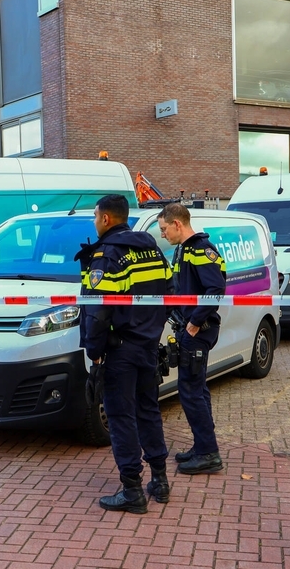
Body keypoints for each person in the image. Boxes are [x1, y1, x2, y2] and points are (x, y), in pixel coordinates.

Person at [77, 194, 173, 514]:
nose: (94, 221)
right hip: (148, 346)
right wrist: (152, 329)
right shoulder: (150, 248)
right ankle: (159, 480)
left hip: (120, 352)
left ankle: (132, 490)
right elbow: (170, 293)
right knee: (148, 412)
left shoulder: (107, 255)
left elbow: (98, 312)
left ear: (106, 219)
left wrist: (95, 355)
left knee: (120, 418)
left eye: (95, 216)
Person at [157, 203, 226, 475]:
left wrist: (195, 324)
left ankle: (209, 454)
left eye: (164, 229)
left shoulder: (201, 250)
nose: (163, 234)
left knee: (191, 393)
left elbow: (216, 288)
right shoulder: (182, 250)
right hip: (187, 328)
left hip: (197, 331)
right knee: (196, 391)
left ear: (177, 224)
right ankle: (202, 447)